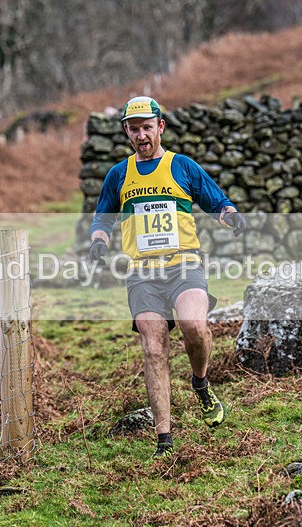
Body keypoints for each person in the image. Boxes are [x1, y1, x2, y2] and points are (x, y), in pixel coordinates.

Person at [89, 96, 246, 459]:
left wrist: (231, 215)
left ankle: (201, 383)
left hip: (183, 264)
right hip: (142, 273)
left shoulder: (182, 166)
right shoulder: (119, 174)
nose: (141, 134)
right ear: (126, 131)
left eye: (147, 126)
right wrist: (99, 241)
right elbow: (102, 218)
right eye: (134, 128)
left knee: (194, 325)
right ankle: (164, 439)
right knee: (153, 345)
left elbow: (216, 201)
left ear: (160, 127)